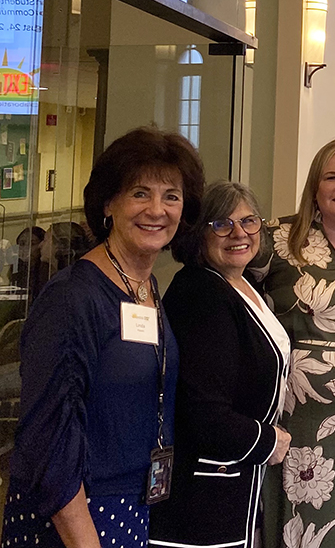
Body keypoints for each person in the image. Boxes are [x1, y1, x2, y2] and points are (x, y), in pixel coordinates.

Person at [1, 127, 203, 547]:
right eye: (140, 193)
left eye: (171, 196)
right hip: (74, 520)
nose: (156, 209)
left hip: (132, 507)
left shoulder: (146, 288)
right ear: (109, 203)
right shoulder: (73, 298)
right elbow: (47, 442)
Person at [252, 139, 335, 548]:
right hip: (297, 414)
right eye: (331, 176)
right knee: (300, 520)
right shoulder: (276, 240)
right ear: (315, 187)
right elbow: (231, 292)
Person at [149, 181, 291, 548]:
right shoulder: (201, 294)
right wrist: (267, 441)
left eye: (249, 221)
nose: (239, 233)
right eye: (222, 224)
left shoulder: (239, 283)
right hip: (203, 497)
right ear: (199, 233)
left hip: (237, 483)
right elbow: (203, 413)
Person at [8, 226, 46, 301]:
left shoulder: (46, 272)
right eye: (22, 244)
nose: (26, 248)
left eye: (32, 244)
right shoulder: (15, 271)